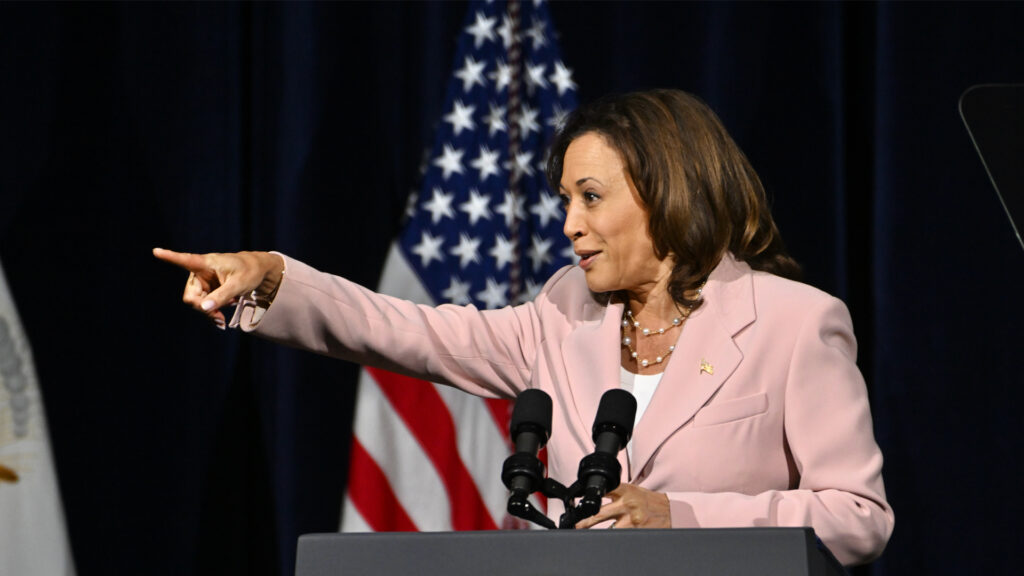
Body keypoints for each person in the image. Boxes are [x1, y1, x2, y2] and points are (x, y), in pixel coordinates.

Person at [154, 89, 893, 565]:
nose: (570, 225)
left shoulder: (795, 323)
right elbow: (406, 330)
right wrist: (273, 275)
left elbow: (858, 517)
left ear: (667, 192)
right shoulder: (561, 314)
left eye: (592, 197)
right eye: (565, 199)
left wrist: (680, 516)